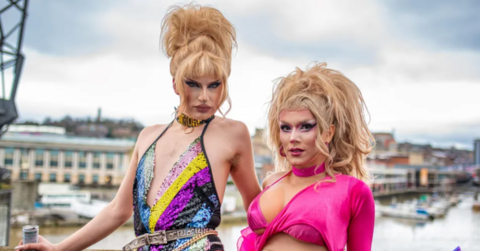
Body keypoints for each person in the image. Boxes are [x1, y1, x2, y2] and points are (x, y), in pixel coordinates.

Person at [16, 4, 261, 251]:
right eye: (194, 84)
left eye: (214, 85)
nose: (205, 97)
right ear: (176, 84)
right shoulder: (148, 136)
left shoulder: (233, 134)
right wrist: (59, 248)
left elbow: (258, 211)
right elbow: (117, 210)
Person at [238, 63, 375, 251]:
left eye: (305, 126)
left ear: (328, 133)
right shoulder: (271, 182)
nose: (293, 138)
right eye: (286, 128)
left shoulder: (354, 192)